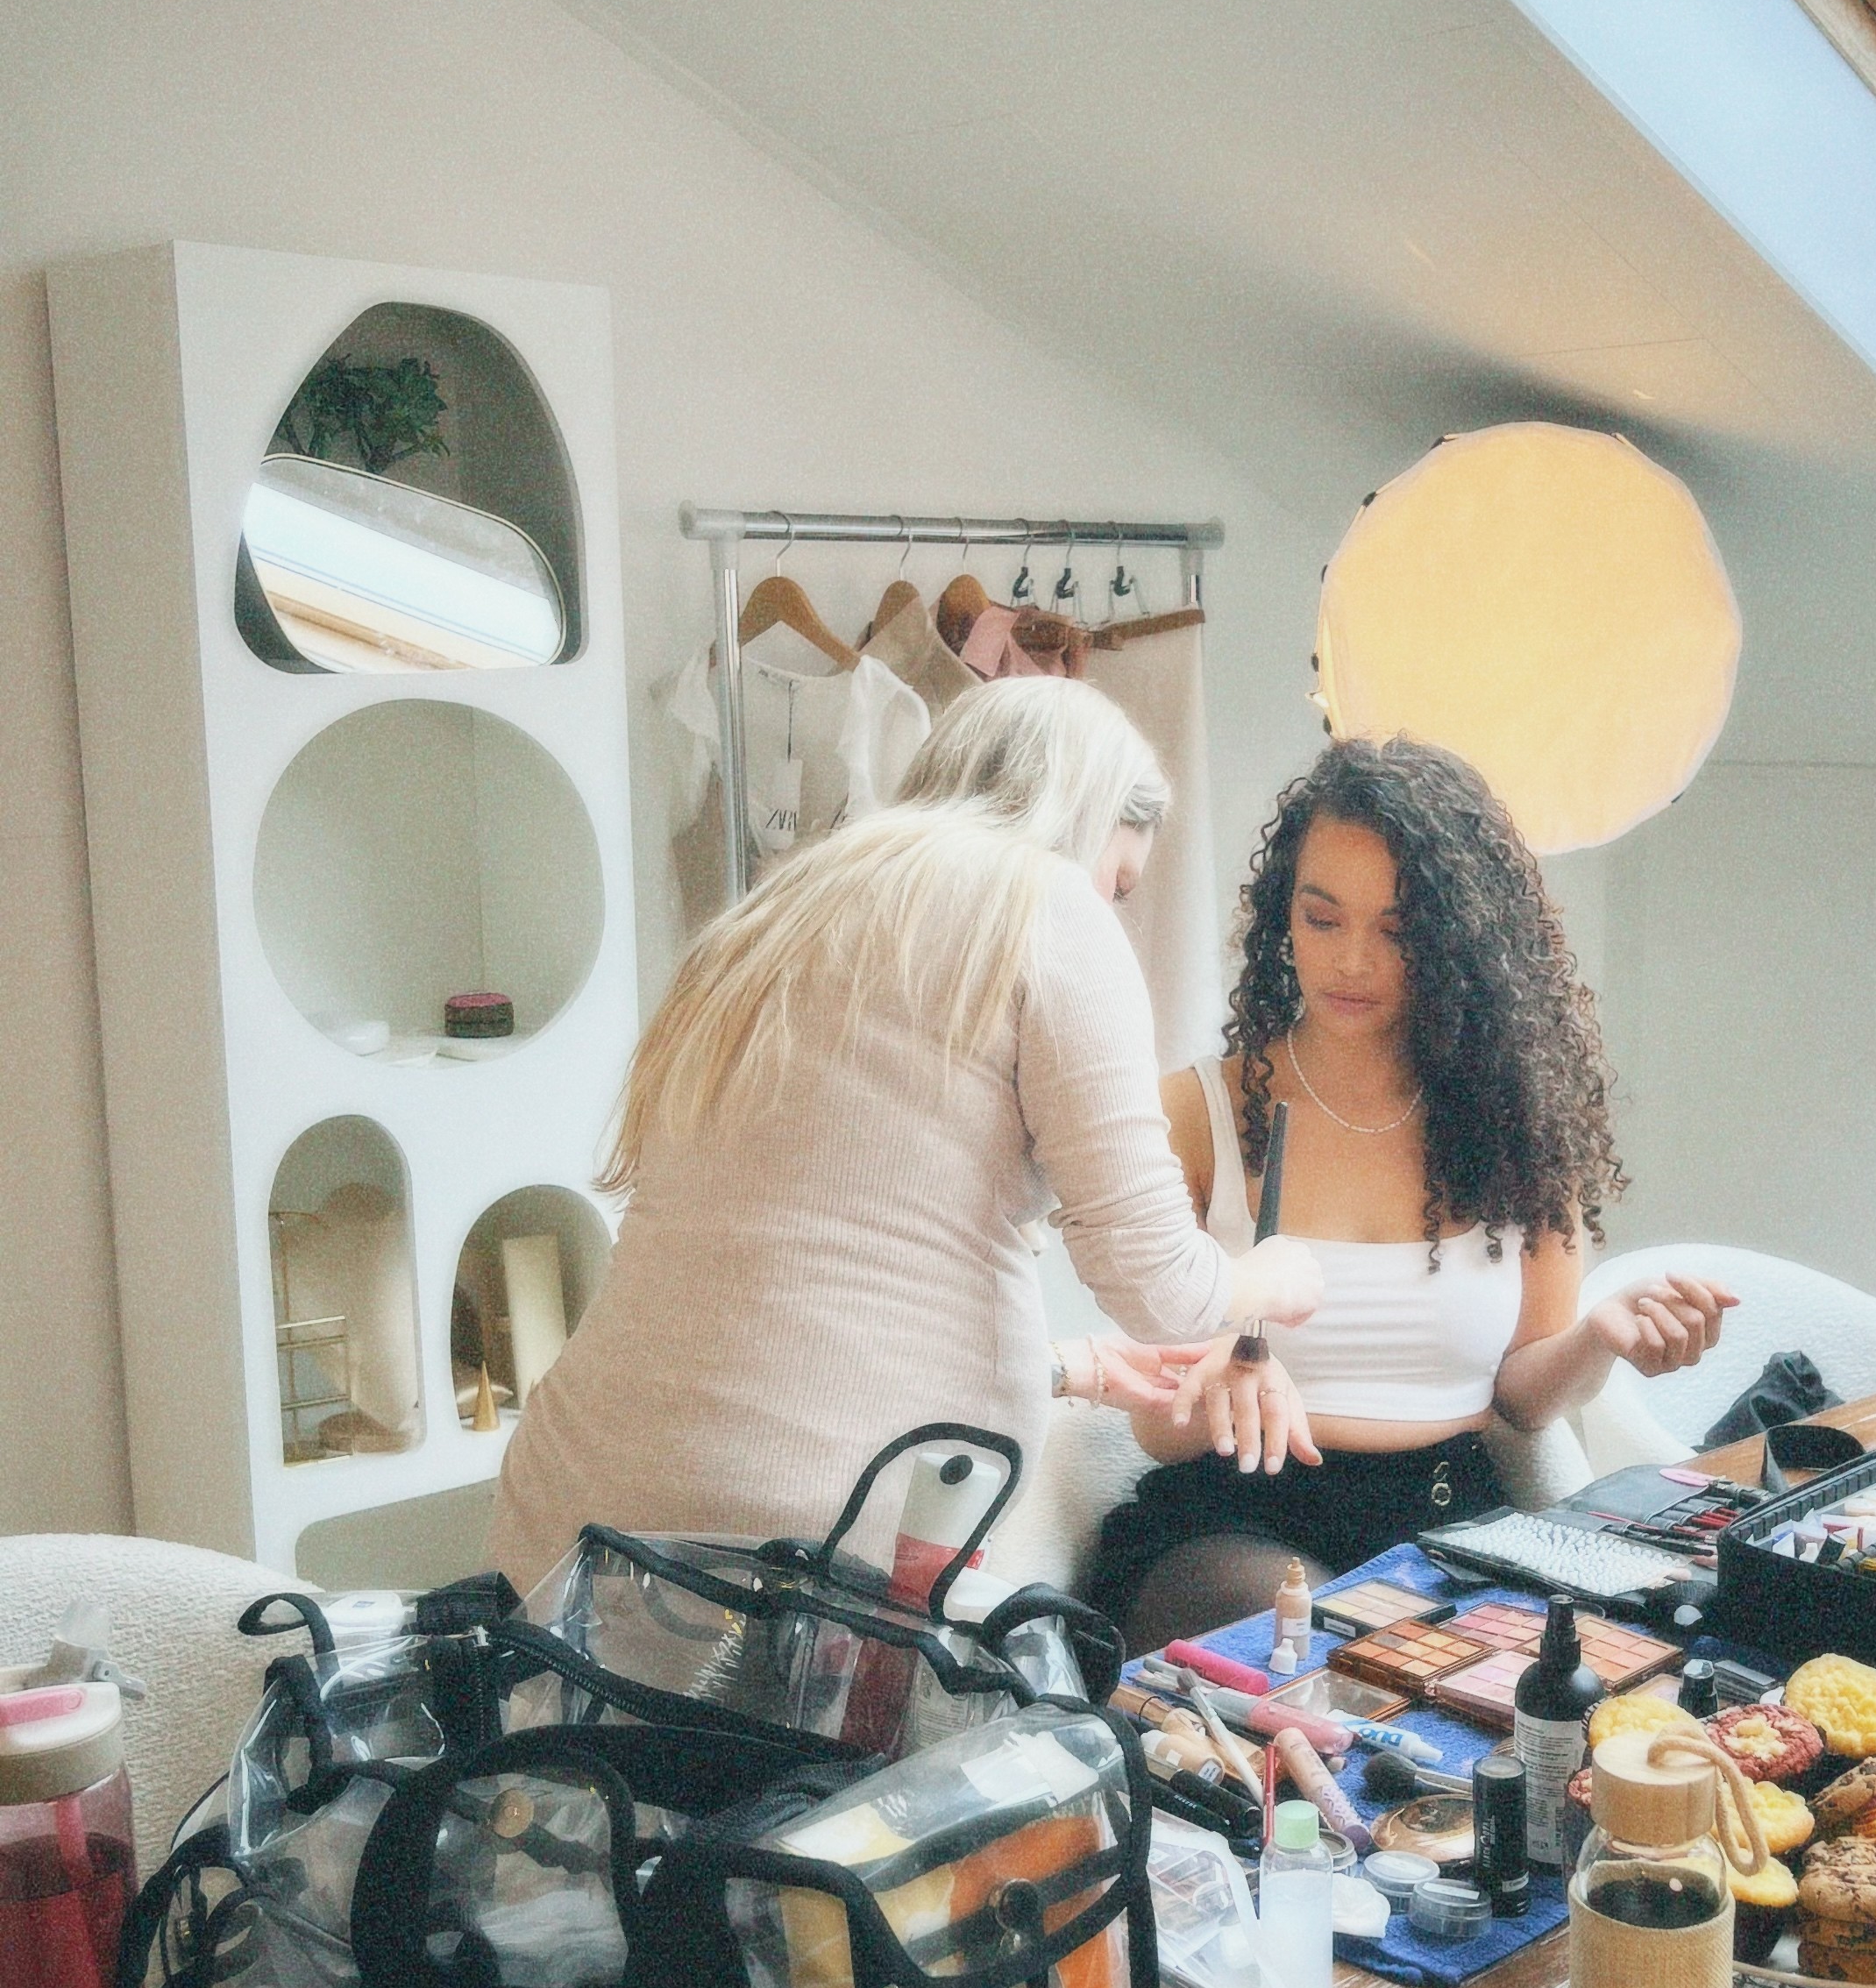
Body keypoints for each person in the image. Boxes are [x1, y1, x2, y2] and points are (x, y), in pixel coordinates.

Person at [491, 676, 1320, 1594]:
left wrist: (1069, 1370)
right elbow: (1161, 1288)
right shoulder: (1046, 907)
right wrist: (1267, 1278)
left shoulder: (785, 906)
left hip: (577, 1510)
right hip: (806, 1552)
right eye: (1118, 881)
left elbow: (801, 1293)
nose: (1111, 906)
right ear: (1081, 817)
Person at [1091, 735, 1734, 1651]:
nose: (1352, 960)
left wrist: (1600, 1337)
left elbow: (1520, 1401)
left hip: (1446, 1523)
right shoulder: (1198, 1115)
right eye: (1322, 920)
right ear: (1283, 919)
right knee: (1325, 1648)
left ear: (1462, 947)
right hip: (1232, 1526)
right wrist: (1212, 1379)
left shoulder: (1517, 1126)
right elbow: (1155, 1427)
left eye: (1396, 932)